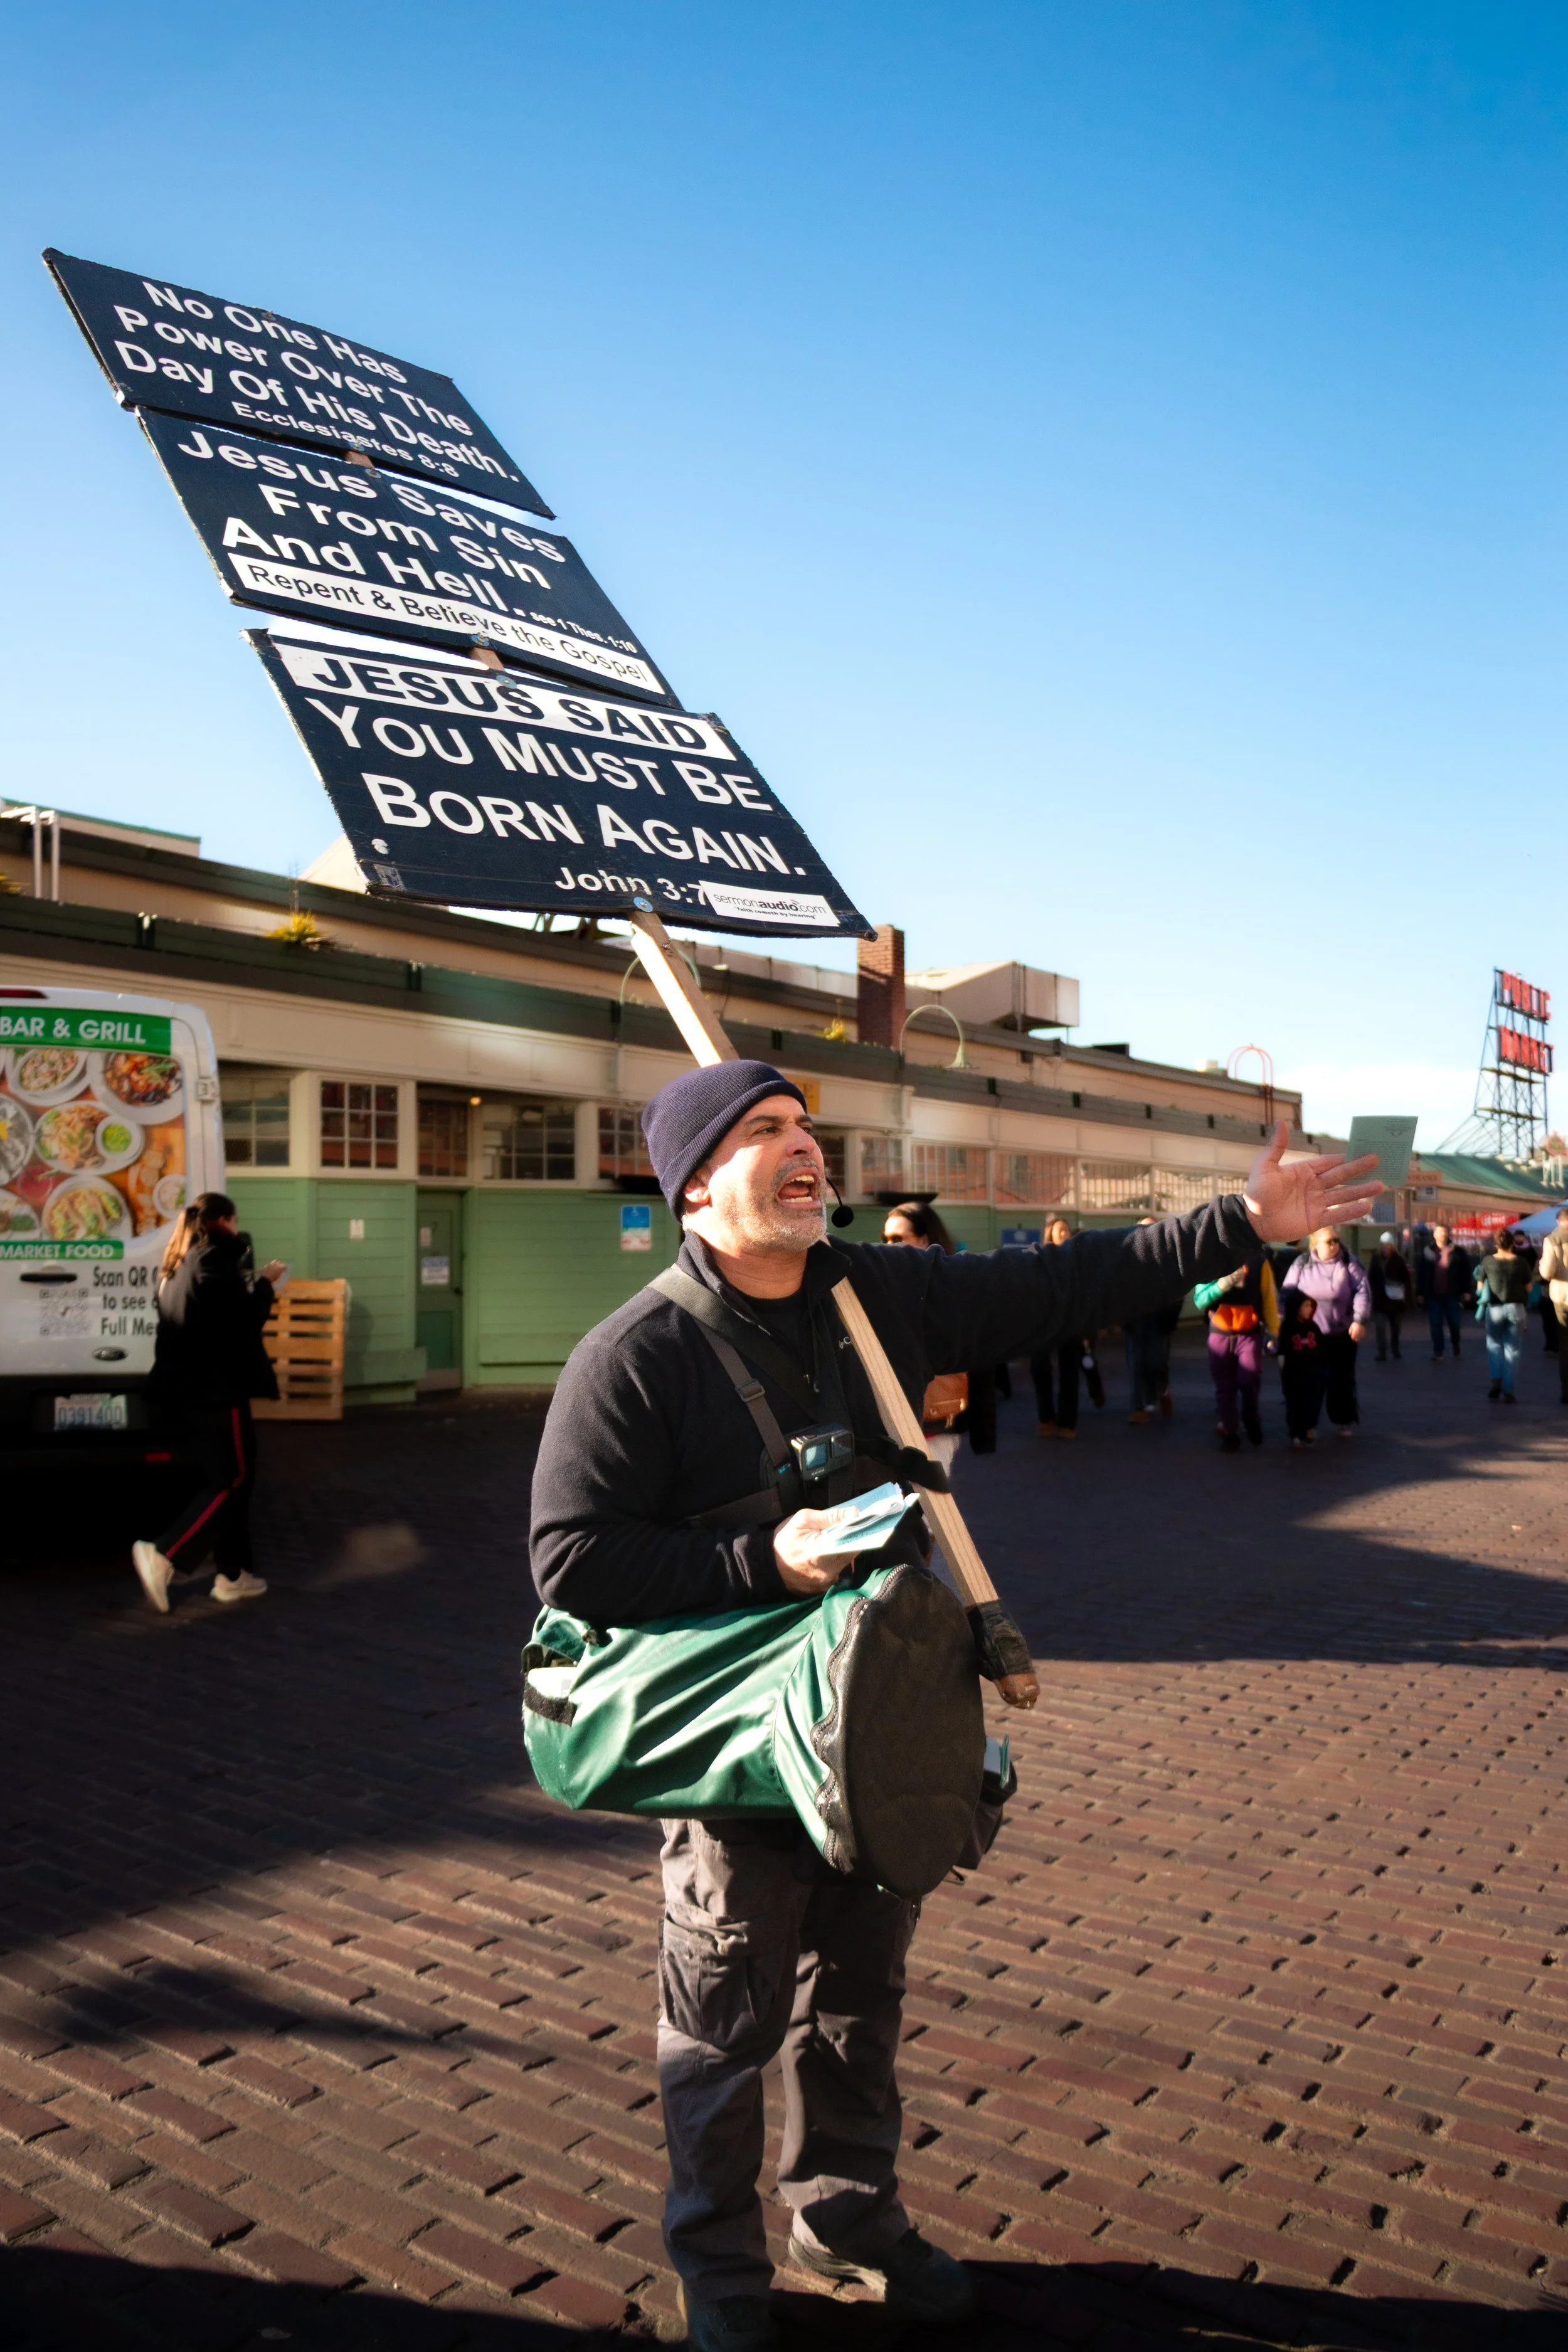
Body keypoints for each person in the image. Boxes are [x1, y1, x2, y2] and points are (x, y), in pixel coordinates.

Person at [527, 1060, 1378, 2351]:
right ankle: (718, 2268)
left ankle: (846, 2221)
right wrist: (765, 1561)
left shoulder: (880, 1294)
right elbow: (572, 1565)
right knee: (720, 2022)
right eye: (764, 1133)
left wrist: (1241, 1224)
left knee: (859, 1995)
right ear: (696, 1181)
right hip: (736, 1746)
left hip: (887, 1724)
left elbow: (1065, 1282)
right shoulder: (633, 1357)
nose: (805, 1148)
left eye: (806, 1128)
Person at [131, 1193, 286, 1613]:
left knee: (229, 1479)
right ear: (224, 1221)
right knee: (232, 1479)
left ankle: (233, 1575)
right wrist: (267, 1283)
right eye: (235, 1222)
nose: (237, 1231)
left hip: (187, 1392)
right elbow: (242, 1323)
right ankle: (164, 1555)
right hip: (216, 1390)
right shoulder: (211, 1261)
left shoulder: (175, 1264)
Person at [881, 1202, 995, 1454]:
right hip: (887, 1427)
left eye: (897, 1238)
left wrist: (983, 1433)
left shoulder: (952, 1290)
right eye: (885, 1238)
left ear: (924, 1241)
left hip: (934, 1428)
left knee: (927, 1493)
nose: (888, 1246)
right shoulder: (882, 1287)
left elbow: (980, 1360)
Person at [1282, 1227, 1371, 1438]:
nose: (1334, 1245)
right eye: (1329, 1241)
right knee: (1311, 1381)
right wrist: (1283, 1323)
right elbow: (1287, 1293)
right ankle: (1308, 1424)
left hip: (1342, 1333)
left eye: (1336, 1241)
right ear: (1315, 1244)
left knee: (1342, 1379)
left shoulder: (1348, 1262)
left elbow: (1363, 1290)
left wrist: (1359, 1320)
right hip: (1311, 1336)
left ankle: (1343, 1419)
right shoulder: (1302, 1264)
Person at [1193, 1247, 1279, 1450]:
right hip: (1220, 1333)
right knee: (1225, 1387)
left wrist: (1273, 1331)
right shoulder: (1211, 1259)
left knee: (1248, 1380)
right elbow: (1200, 1301)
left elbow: (1269, 1298)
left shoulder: (1259, 1260)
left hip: (1249, 1333)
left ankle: (1251, 1419)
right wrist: (1224, 1284)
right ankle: (1230, 1432)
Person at [1030, 1216, 1086, 1439]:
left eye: (1066, 1230)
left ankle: (1067, 1423)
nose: (1063, 1233)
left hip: (1071, 1322)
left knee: (1070, 1371)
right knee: (1039, 1366)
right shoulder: (1041, 1258)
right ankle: (1046, 1417)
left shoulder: (1079, 1260)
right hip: (1045, 1322)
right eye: (1058, 1230)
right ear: (1050, 1234)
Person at [1475, 1228, 1529, 1404]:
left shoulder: (1488, 1262)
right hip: (1516, 1308)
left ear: (1496, 1244)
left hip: (1495, 1309)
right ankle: (1508, 1389)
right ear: (1513, 1243)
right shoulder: (1521, 1262)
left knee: (1494, 1345)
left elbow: (1480, 1288)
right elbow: (1529, 1288)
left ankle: (1496, 1378)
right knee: (1512, 1351)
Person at [1277, 1290, 1327, 1447]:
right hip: (1293, 1374)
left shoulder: (1313, 1326)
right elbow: (1281, 1350)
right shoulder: (1287, 1328)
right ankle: (1296, 1434)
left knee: (1312, 1402)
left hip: (1313, 1373)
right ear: (1295, 1307)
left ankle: (1309, 1428)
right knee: (1295, 1404)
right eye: (1305, 1306)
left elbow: (1322, 1348)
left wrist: (1323, 1367)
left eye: (1310, 1306)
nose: (1309, 1309)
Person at [1417, 1224, 1473, 1360]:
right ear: (1434, 1235)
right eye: (1440, 1232)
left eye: (1445, 1232)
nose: (1443, 1235)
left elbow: (1466, 1272)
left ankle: (1455, 1343)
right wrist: (1420, 1293)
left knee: (1454, 1323)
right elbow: (1421, 1274)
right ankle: (1438, 1351)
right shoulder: (1427, 1252)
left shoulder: (1458, 1252)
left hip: (1452, 1294)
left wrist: (1467, 1290)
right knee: (1435, 1323)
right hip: (1433, 1294)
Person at [1369, 1231, 1413, 1362]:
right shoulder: (1375, 1260)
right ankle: (1382, 1352)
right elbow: (1371, 1277)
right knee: (1380, 1327)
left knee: (1395, 1327)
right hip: (1379, 1299)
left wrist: (1407, 1298)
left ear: (1392, 1246)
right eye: (1383, 1245)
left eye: (1388, 1245)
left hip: (1395, 1300)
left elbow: (1406, 1280)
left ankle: (1395, 1349)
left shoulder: (1399, 1260)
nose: (1385, 1248)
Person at [1539, 1206, 1568, 1403]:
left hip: (1562, 1296)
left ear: (1559, 1221)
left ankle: (1566, 1390)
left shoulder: (1552, 1239)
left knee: (1565, 1344)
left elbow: (1547, 1272)